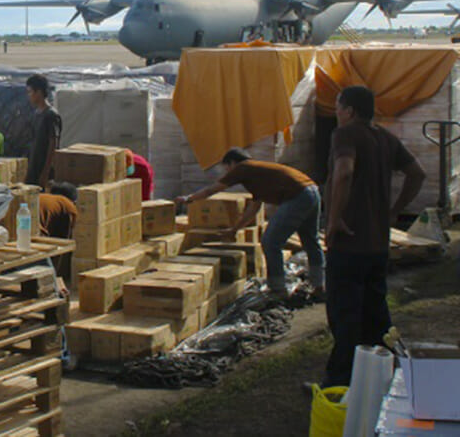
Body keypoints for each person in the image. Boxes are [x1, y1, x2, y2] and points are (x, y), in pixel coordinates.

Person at [322, 85, 425, 388]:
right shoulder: (385, 138)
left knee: (345, 316)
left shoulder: (345, 134)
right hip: (377, 246)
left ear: (349, 110)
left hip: (349, 243)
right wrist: (395, 211)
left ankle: (340, 383)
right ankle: (383, 377)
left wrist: (335, 218)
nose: (336, 112)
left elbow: (343, 172)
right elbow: (417, 173)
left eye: (338, 106)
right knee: (376, 316)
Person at [175, 148, 323, 297]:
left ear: (232, 163)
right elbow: (254, 208)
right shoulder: (258, 173)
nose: (227, 172)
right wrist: (235, 229)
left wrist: (189, 199)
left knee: (271, 242)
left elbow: (212, 190)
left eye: (226, 168)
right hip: (312, 191)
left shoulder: (242, 168)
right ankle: (319, 285)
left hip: (297, 196)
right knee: (311, 240)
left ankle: (278, 289)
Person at [24, 74, 61, 190]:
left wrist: (45, 173)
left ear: (39, 92)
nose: (28, 96)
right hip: (33, 168)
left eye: (30, 92)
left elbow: (53, 144)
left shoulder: (51, 115)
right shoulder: (36, 114)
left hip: (44, 171)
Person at [38, 182, 78, 280]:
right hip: (34, 235)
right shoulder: (68, 206)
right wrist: (55, 276)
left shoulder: (43, 198)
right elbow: (63, 242)